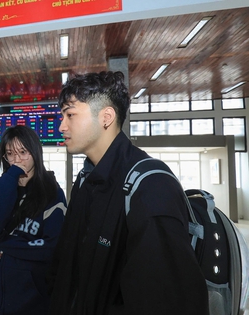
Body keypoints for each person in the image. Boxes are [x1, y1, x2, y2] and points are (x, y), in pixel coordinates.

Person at [46, 71, 208, 314]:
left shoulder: (150, 186)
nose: (61, 125)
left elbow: (166, 300)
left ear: (106, 117)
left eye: (70, 115)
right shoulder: (84, 181)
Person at [0, 125, 67, 315]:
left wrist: (2, 242)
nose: (17, 160)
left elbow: (52, 247)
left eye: (23, 152)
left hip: (30, 298)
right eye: (10, 154)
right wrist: (11, 177)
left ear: (35, 152)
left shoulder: (52, 193)